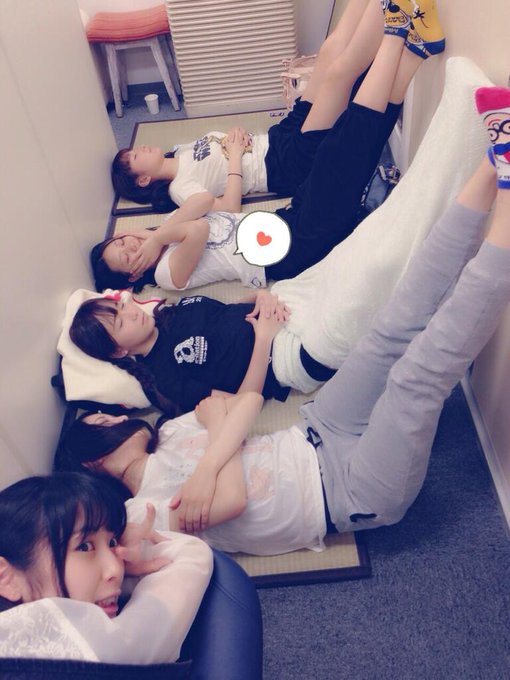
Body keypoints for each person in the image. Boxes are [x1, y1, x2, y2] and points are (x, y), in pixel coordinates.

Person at [60, 89, 510, 556]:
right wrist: (219, 438)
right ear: (93, 464)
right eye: (101, 421)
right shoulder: (149, 502)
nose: (116, 416)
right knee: (416, 375)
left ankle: (493, 159)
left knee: (392, 323)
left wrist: (255, 304)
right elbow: (234, 459)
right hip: (344, 485)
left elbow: (232, 407)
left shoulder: (170, 422)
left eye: (119, 306)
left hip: (315, 422)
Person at [94, 0, 446, 292]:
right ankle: (396, 33)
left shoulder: (168, 224)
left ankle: (415, 51)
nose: (131, 245)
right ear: (134, 275)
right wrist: (157, 239)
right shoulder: (165, 274)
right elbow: (199, 228)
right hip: (290, 251)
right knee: (343, 152)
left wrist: (155, 235)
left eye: (121, 241)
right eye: (126, 256)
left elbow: (202, 204)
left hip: (284, 221)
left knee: (352, 152)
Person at [111, 0, 391, 214]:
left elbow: (223, 151)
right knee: (339, 75)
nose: (140, 148)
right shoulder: (180, 189)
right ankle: (396, 22)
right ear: (143, 180)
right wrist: (235, 155)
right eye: (135, 156)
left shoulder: (181, 151)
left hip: (276, 137)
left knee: (329, 51)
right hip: (284, 165)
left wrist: (235, 134)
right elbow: (230, 207)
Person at [0, 471, 213, 663]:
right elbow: (192, 554)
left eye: (113, 542)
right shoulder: (74, 645)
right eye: (84, 547)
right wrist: (143, 554)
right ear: (5, 578)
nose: (116, 569)